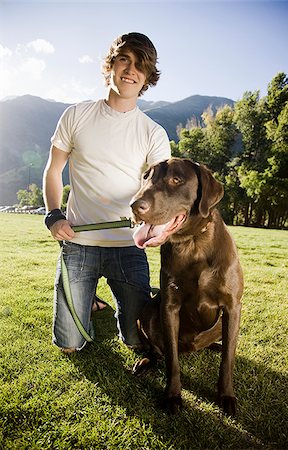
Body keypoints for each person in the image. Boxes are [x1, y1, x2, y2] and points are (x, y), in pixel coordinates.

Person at [43, 32, 171, 353]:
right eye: (124, 60)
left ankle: (99, 302)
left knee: (138, 340)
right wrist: (54, 215)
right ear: (111, 65)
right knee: (70, 345)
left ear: (147, 79)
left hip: (128, 247)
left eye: (140, 66)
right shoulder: (76, 115)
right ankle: (88, 301)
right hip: (78, 242)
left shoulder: (153, 133)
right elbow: (54, 169)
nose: (131, 70)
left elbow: (161, 191)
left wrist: (159, 227)